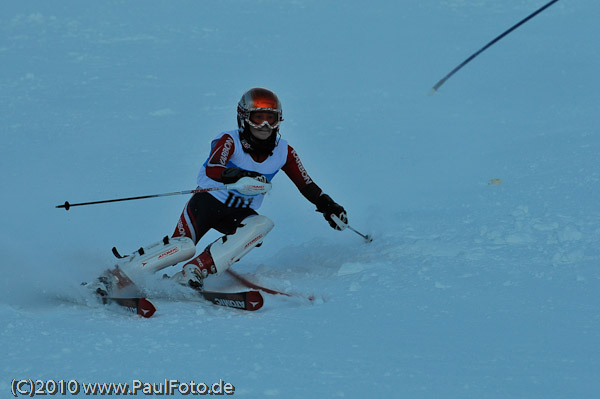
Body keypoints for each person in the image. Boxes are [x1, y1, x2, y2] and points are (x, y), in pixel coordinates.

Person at [101, 88, 347, 292]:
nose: (264, 125)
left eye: (270, 118)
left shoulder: (284, 151)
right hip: (207, 202)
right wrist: (241, 174)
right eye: (257, 117)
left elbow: (305, 183)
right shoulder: (230, 140)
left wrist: (327, 205)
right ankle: (117, 275)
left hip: (238, 212)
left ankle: (193, 273)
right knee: (184, 246)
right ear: (243, 117)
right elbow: (213, 167)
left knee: (261, 225)